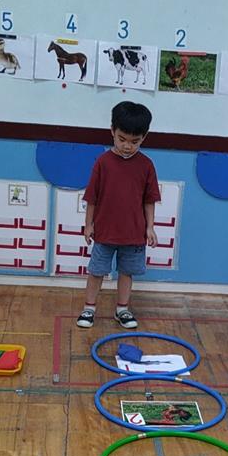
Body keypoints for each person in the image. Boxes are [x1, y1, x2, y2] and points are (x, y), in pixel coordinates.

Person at [77, 101, 160, 329]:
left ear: (144, 137)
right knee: (96, 271)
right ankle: (89, 308)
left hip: (133, 234)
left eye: (135, 141)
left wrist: (150, 227)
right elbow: (92, 198)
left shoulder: (147, 165)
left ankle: (122, 309)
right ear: (112, 131)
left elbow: (149, 200)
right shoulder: (103, 162)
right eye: (122, 139)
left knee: (127, 272)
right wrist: (88, 225)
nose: (127, 146)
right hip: (105, 232)